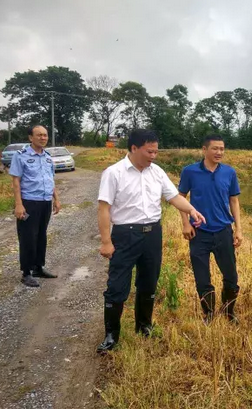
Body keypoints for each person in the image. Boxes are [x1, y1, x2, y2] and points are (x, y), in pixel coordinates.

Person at [96, 129, 205, 353]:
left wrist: (192, 210)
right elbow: (104, 208)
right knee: (117, 285)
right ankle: (111, 335)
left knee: (148, 282)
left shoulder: (157, 172)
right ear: (134, 148)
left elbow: (173, 197)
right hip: (125, 235)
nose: (153, 155)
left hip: (152, 234)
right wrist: (106, 241)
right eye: (149, 151)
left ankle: (143, 325)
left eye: (156, 151)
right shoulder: (114, 173)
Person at [178, 134, 243, 324]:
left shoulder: (229, 173)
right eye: (215, 148)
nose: (219, 152)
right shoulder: (189, 172)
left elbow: (234, 200)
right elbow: (181, 197)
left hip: (224, 231)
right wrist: (185, 223)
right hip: (199, 233)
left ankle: (229, 311)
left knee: (231, 275)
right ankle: (209, 314)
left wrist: (238, 229)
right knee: (202, 277)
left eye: (222, 149)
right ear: (204, 150)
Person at [9, 125, 61, 288]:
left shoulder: (47, 157)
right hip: (29, 202)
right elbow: (16, 181)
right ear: (31, 138)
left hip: (45, 201)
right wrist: (19, 204)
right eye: (39, 135)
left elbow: (50, 180)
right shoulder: (21, 156)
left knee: (41, 236)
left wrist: (56, 199)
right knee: (27, 237)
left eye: (45, 135)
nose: (43, 138)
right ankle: (26, 273)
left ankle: (38, 267)